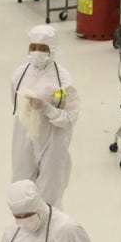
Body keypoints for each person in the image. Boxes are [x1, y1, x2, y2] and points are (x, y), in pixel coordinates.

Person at [10, 24, 80, 209]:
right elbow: (15, 103)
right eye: (33, 47)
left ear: (52, 49)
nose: (37, 52)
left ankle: (49, 231)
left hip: (52, 139)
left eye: (43, 48)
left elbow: (70, 117)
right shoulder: (19, 73)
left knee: (50, 191)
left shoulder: (62, 80)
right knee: (21, 184)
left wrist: (47, 108)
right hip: (24, 135)